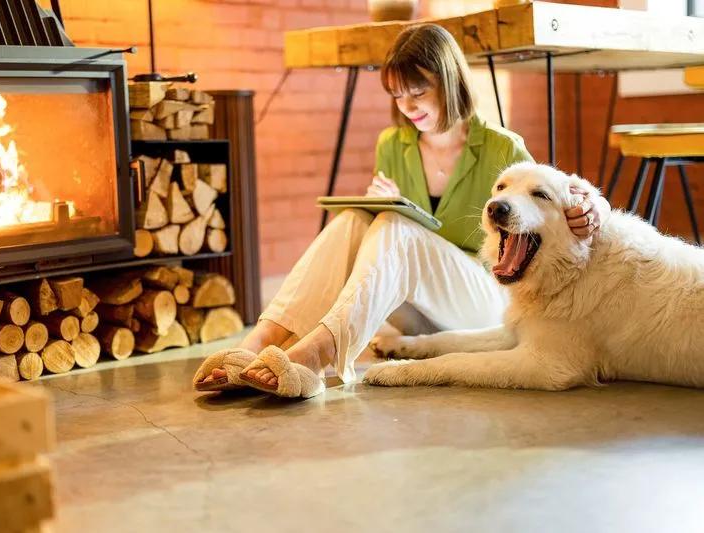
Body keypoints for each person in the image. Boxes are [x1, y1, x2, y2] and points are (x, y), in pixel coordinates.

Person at [193, 23, 609, 398]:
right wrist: (379, 202)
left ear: (447, 81)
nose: (407, 105)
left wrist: (593, 206)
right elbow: (385, 249)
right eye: (397, 94)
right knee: (353, 220)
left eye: (418, 90)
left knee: (394, 223)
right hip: (415, 310)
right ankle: (257, 341)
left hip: (484, 297)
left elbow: (549, 207)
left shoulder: (504, 147)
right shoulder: (392, 144)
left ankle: (316, 353)